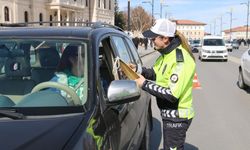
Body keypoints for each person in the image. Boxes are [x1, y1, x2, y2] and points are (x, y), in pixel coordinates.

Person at [130, 19, 196, 150]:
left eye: (154, 38)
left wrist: (144, 84)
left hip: (177, 117)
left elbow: (172, 95)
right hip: (169, 115)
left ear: (165, 39)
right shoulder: (165, 55)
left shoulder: (180, 60)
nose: (151, 41)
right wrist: (137, 70)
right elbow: (156, 73)